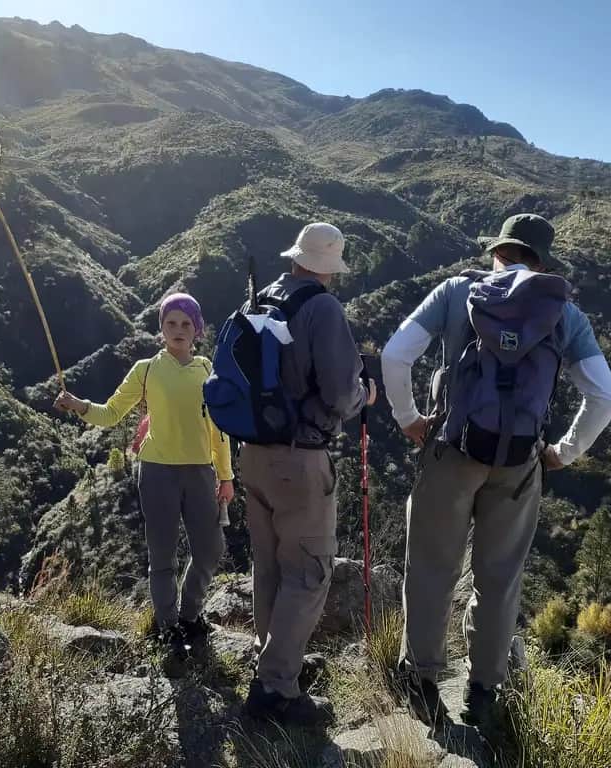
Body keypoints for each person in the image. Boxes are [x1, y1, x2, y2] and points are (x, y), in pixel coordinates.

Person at [381, 214, 611, 727]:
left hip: (451, 451)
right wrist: (563, 452)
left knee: (431, 569)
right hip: (518, 463)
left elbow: (395, 355)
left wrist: (408, 420)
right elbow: (604, 396)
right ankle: (484, 689)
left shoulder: (457, 292)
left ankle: (421, 679)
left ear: (499, 252)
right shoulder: (563, 313)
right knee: (499, 579)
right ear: (542, 260)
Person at [241, 222, 376, 726]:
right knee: (310, 571)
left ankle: (274, 661)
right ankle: (276, 690)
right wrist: (367, 394)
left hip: (252, 453)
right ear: (328, 267)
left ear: (296, 258)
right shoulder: (322, 308)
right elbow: (342, 395)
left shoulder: (263, 299)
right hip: (298, 460)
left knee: (270, 565)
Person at [54, 293, 234, 655]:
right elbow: (111, 413)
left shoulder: (207, 370)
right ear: (161, 328)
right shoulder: (146, 369)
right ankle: (170, 629)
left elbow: (220, 429)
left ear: (197, 330)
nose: (178, 330)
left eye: (186, 324)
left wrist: (226, 476)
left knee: (211, 550)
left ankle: (189, 614)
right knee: (162, 555)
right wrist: (78, 406)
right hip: (157, 472)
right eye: (171, 323)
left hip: (200, 472)